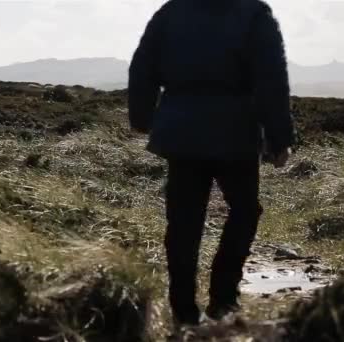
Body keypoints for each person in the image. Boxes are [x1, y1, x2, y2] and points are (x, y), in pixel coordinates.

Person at [127, 0, 296, 327]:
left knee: (183, 221)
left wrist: (142, 117)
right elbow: (271, 78)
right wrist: (279, 138)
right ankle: (223, 298)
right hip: (235, 130)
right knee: (245, 210)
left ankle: (184, 312)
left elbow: (142, 66)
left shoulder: (172, 12)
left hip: (181, 130)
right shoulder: (253, 14)